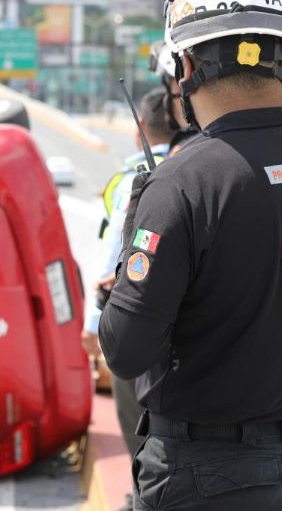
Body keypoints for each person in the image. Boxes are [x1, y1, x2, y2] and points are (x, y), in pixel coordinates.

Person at [98, 0, 282, 510]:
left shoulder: (180, 184)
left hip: (201, 476)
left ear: (186, 68)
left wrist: (126, 269)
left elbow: (125, 352)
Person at [82, 86, 178, 511]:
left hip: (138, 318)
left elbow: (116, 253)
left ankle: (142, 492)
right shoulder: (201, 163)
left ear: (141, 130)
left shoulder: (133, 178)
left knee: (133, 409)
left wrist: (92, 325)